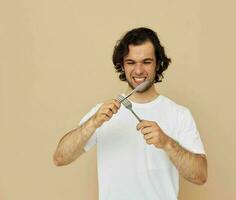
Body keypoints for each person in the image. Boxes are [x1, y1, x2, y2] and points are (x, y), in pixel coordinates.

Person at [53, 27, 207, 200]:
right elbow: (60, 158)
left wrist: (166, 143)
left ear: (158, 64)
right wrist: (93, 123)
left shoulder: (179, 114)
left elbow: (200, 176)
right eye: (131, 62)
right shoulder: (102, 113)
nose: (139, 71)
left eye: (146, 62)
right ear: (122, 65)